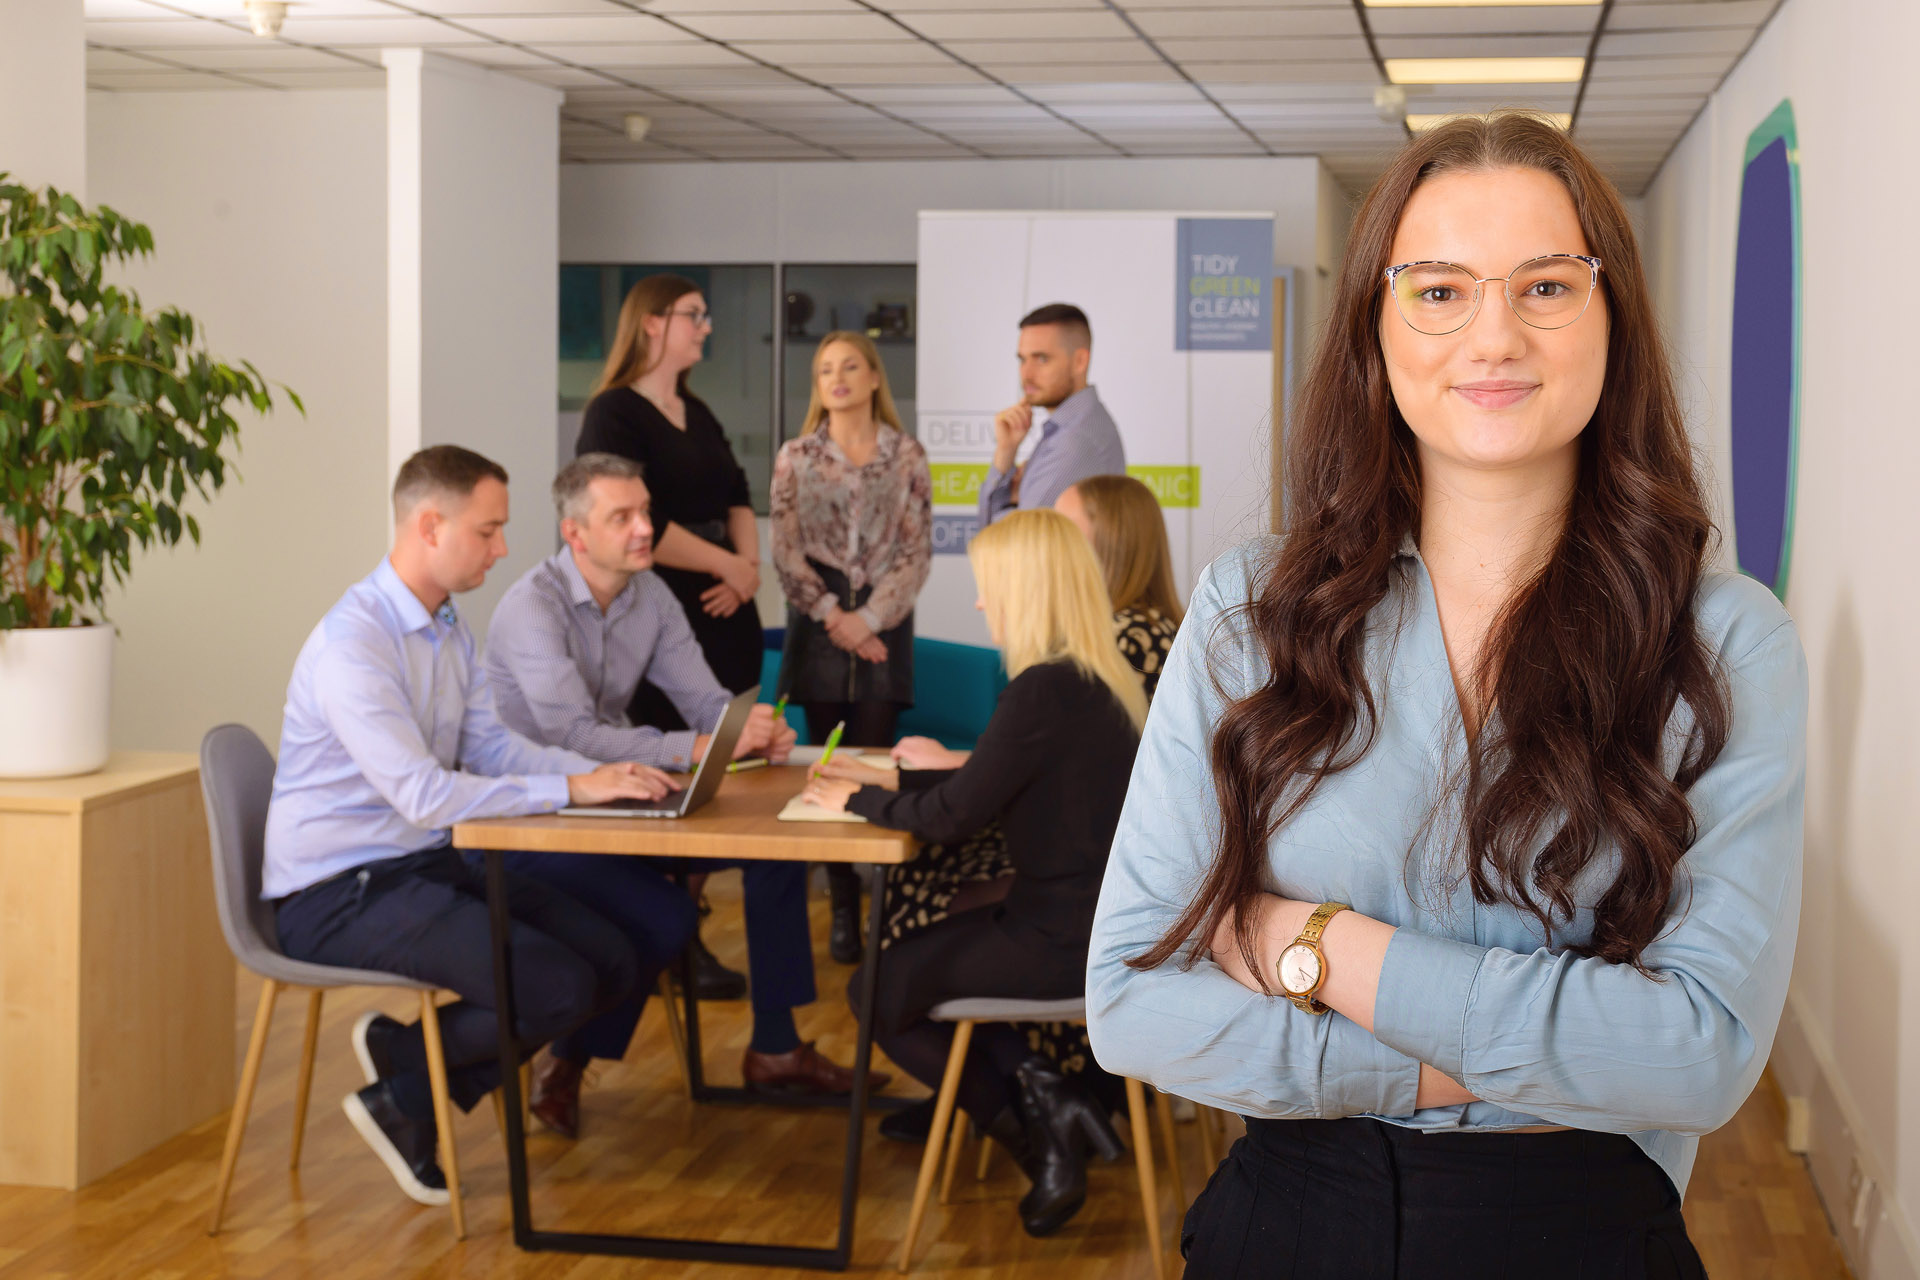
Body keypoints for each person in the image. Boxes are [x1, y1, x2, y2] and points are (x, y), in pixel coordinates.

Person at [1086, 113, 1805, 1279]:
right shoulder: (1247, 613)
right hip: (1289, 1220)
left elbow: (1702, 1054)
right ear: (1378, 324)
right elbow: (1129, 1002)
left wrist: (1319, 946)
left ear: (1613, 315)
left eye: (1546, 287)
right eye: (1437, 291)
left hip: (1582, 1234)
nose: (1493, 334)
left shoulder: (1724, 643)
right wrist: (1511, 1052)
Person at [265, 445, 680, 1207]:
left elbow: (487, 745)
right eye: (488, 532)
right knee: (556, 987)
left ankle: (407, 1070)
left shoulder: (445, 621)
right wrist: (570, 785)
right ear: (430, 526)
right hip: (339, 892)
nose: (504, 548)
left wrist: (588, 784)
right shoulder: (354, 647)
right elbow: (425, 794)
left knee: (616, 962)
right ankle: (410, 1086)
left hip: (418, 864)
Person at [483, 453, 876, 1136]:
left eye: (645, 512)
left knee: (774, 855)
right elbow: (571, 734)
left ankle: (776, 1047)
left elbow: (702, 702)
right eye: (623, 517)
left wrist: (745, 730)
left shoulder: (651, 595)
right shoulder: (532, 608)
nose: (644, 529)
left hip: (615, 797)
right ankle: (568, 1059)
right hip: (532, 813)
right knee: (661, 912)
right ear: (576, 535)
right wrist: (693, 746)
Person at [802, 509, 1147, 1237]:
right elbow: (982, 797)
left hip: (1062, 941)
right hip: (1095, 926)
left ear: (1027, 588)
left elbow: (949, 817)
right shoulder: (1101, 680)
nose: (983, 604)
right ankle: (1046, 1092)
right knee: (921, 960)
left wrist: (854, 796)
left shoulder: (1043, 690)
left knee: (875, 990)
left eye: (990, 587)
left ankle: (1034, 1132)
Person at [575, 271, 762, 1000]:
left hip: (726, 605)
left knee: (721, 767)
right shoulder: (613, 413)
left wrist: (747, 568)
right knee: (668, 774)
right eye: (694, 315)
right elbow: (631, 523)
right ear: (651, 323)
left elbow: (738, 495)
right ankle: (668, 933)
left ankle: (683, 925)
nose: (706, 327)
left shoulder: (697, 409)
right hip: (666, 602)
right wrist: (728, 564)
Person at [770, 330, 932, 964]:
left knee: (874, 762)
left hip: (886, 623)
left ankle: (884, 904)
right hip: (817, 620)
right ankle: (841, 906)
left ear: (872, 378)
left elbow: (917, 551)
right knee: (829, 766)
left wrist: (869, 620)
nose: (835, 378)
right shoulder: (795, 455)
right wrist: (836, 616)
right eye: (823, 370)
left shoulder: (907, 454)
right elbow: (784, 550)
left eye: (849, 367)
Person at [977, 303, 1126, 526]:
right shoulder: (1070, 429)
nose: (1026, 374)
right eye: (1022, 359)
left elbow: (1010, 543)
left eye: (1042, 359)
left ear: (1080, 361)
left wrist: (1012, 501)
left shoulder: (1075, 440)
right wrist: (1006, 452)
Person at [1054, 474, 1184, 700]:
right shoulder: (1127, 628)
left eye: (1064, 532)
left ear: (1112, 543)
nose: (1051, 546)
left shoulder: (1133, 637)